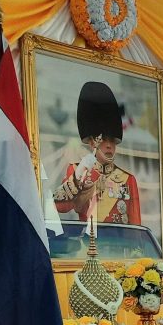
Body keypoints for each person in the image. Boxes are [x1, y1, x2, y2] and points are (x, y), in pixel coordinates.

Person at [53, 81, 141, 226]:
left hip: (118, 240)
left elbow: (135, 225)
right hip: (89, 239)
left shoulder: (128, 180)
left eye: (112, 141)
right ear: (92, 143)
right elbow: (60, 206)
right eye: (104, 140)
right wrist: (78, 175)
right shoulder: (77, 171)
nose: (109, 145)